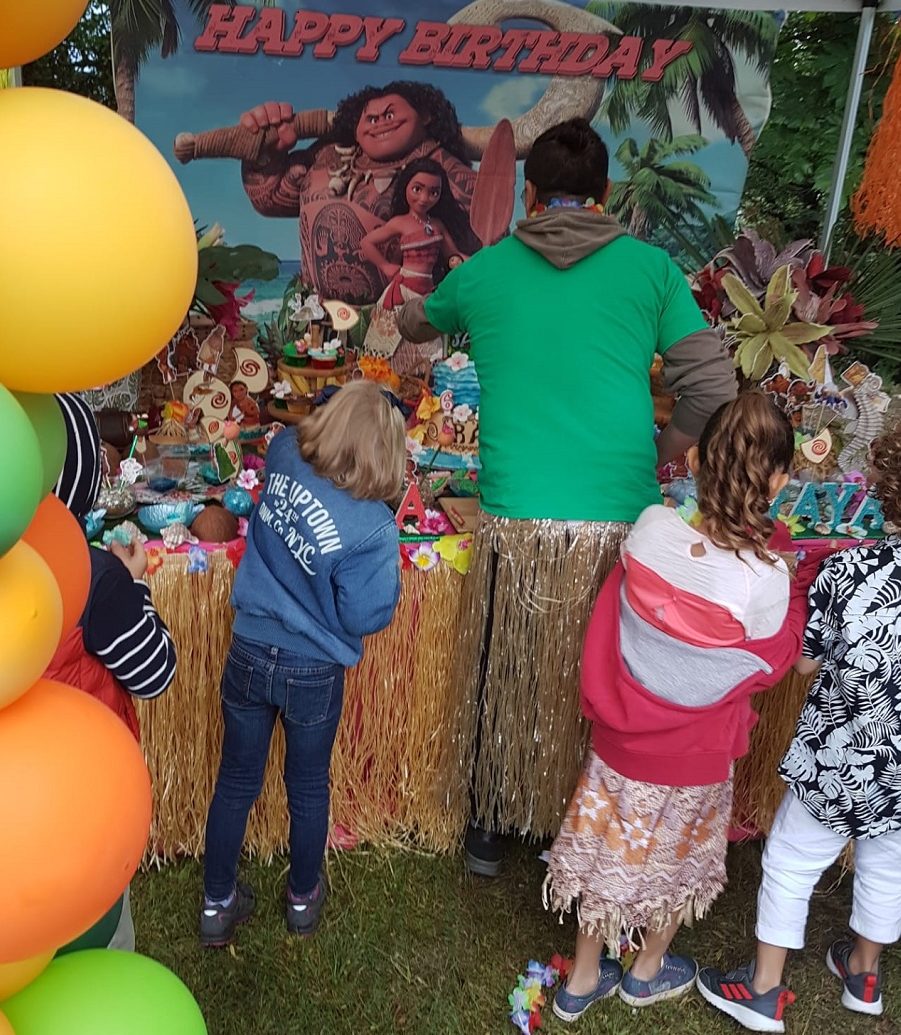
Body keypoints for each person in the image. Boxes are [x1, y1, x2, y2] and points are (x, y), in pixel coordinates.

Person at [396, 117, 738, 874]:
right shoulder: (650, 270)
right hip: (622, 519)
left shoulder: (485, 272)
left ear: (528, 192)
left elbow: (415, 317)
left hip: (520, 519)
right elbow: (713, 384)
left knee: (507, 668)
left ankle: (491, 823)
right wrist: (664, 449)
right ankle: (575, 816)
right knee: (602, 671)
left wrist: (417, 306)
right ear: (605, 194)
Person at [544, 392, 817, 1022]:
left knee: (607, 847)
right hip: (696, 755)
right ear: (776, 480)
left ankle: (583, 978)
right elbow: (774, 663)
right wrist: (790, 574)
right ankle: (645, 970)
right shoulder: (766, 581)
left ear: (696, 461)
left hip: (621, 740)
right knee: (681, 857)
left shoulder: (650, 531)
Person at [697, 425, 901, 1033]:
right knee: (890, 863)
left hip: (844, 753)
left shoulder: (853, 571)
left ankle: (762, 989)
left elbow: (807, 661)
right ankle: (863, 975)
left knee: (789, 857)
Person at [200, 380, 405, 946]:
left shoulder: (287, 452)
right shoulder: (373, 528)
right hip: (312, 668)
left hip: (248, 645)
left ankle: (217, 903)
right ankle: (301, 899)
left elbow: (301, 426)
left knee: (236, 779)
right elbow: (366, 615)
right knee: (309, 786)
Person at [45, 392, 177, 951]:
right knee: (94, 931)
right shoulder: (94, 577)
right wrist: (136, 585)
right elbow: (154, 671)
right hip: (81, 787)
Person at [175, 81, 478, 305]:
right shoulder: (328, 155)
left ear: (424, 115)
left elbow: (478, 243)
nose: (379, 124)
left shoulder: (448, 171)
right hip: (313, 315)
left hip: (402, 316)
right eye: (370, 118)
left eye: (389, 114)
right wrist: (266, 153)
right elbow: (269, 199)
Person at [361, 157, 470, 373]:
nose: (424, 198)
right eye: (417, 189)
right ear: (406, 188)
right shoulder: (400, 223)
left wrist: (473, 261)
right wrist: (384, 266)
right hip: (402, 292)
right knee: (394, 346)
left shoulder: (437, 225)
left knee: (427, 346)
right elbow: (367, 242)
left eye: (433, 192)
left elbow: (452, 253)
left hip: (426, 292)